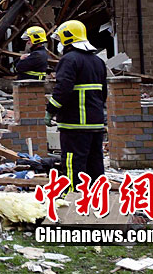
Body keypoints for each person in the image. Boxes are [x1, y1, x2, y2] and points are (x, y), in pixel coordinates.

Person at [46, 20, 107, 192]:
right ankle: (97, 196)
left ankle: (74, 196)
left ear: (68, 38)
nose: (59, 43)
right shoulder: (98, 61)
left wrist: (50, 110)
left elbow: (63, 89)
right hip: (96, 122)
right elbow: (104, 93)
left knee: (73, 162)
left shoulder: (69, 60)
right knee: (95, 162)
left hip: (75, 124)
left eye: (60, 39)